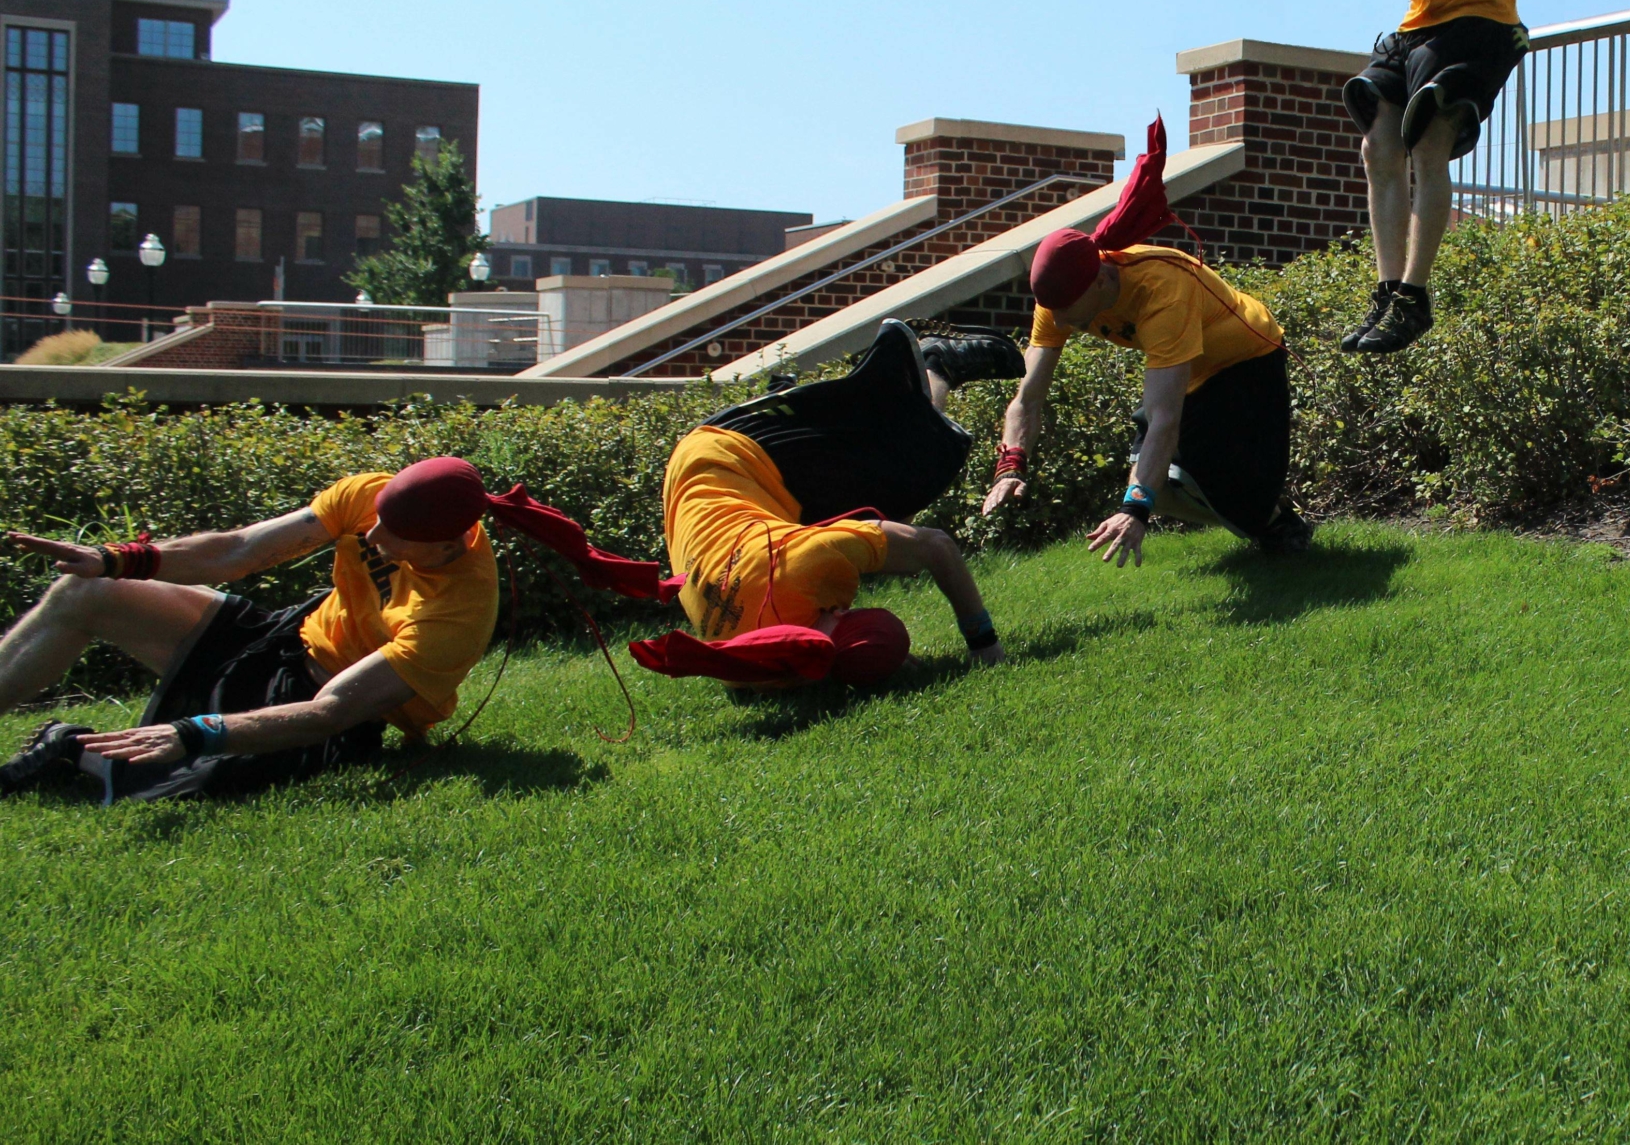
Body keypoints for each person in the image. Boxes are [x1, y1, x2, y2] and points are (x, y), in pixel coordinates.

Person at [0, 456, 667, 802]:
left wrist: (195, 730)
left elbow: (331, 711)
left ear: (446, 548)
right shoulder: (373, 498)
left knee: (156, 762)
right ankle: (81, 742)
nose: (370, 533)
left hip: (316, 707)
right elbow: (238, 550)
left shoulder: (459, 611)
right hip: (279, 638)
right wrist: (122, 558)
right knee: (84, 591)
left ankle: (72, 747)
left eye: (392, 535)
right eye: (375, 516)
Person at [1311, 0, 1630, 352]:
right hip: (1419, 24)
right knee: (1377, 147)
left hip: (1481, 19)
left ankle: (1414, 300)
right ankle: (1388, 290)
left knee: (1427, 140)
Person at [982, 117, 1312, 562]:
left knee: (1221, 489)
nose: (1058, 320)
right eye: (1052, 310)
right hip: (1188, 368)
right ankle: (1253, 513)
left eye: (1067, 312)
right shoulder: (1059, 300)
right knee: (1166, 484)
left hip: (1245, 360)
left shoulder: (1161, 291)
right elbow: (1029, 396)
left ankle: (1275, 524)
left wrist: (1135, 513)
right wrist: (1011, 465)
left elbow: (1163, 418)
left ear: (1100, 280)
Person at [640, 319, 1022, 690]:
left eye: (848, 615)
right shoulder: (743, 670)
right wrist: (872, 658)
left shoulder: (809, 561)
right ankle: (920, 372)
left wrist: (983, 642)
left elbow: (938, 547)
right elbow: (818, 661)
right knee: (888, 501)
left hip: (733, 451)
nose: (843, 608)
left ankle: (934, 362)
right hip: (688, 480)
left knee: (917, 464)